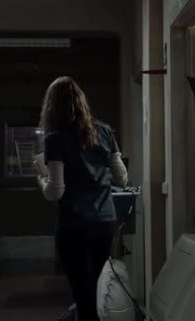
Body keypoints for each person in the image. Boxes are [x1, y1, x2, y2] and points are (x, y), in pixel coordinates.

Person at [37, 76, 128, 321]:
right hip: (104, 223)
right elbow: (122, 178)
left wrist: (41, 179)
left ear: (52, 106)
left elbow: (55, 191)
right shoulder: (105, 132)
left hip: (74, 226)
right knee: (93, 292)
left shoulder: (55, 139)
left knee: (83, 295)